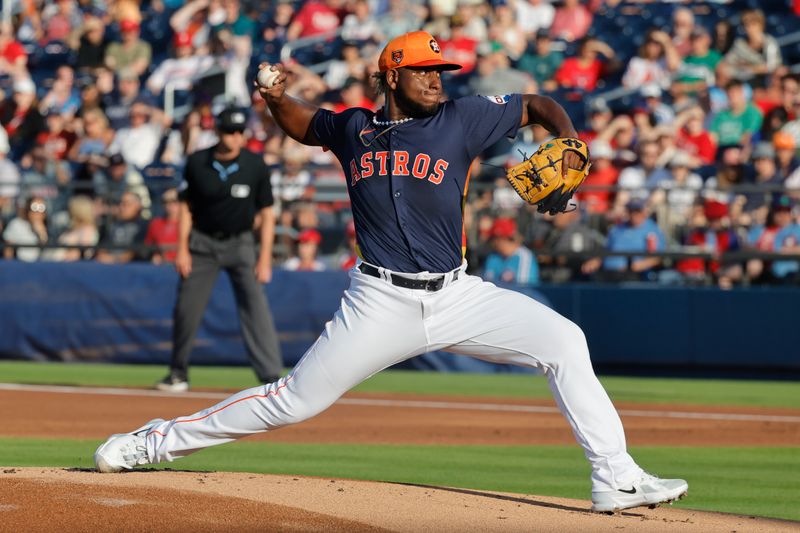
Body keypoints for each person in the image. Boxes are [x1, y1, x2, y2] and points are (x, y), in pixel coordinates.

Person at [94, 31, 688, 514]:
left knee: (565, 340)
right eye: (425, 69)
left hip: (459, 296)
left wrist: (569, 140)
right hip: (378, 301)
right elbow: (305, 123)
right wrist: (274, 98)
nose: (437, 78)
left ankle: (616, 478)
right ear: (390, 76)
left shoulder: (463, 118)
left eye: (441, 69)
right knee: (292, 402)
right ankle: (154, 442)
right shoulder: (355, 129)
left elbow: (536, 104)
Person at [155, 107, 283, 392]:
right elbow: (186, 208)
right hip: (203, 243)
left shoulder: (255, 165)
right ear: (218, 131)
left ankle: (271, 377)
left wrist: (264, 257)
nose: (235, 137)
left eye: (240, 132)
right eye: (229, 131)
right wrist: (182, 249)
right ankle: (178, 373)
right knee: (187, 308)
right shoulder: (198, 162)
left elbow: (267, 212)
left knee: (256, 309)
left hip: (241, 243)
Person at [483, 217, 539, 285]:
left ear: (501, 239)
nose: (492, 243)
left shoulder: (524, 256)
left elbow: (524, 288)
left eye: (493, 238)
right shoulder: (493, 257)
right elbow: (487, 284)